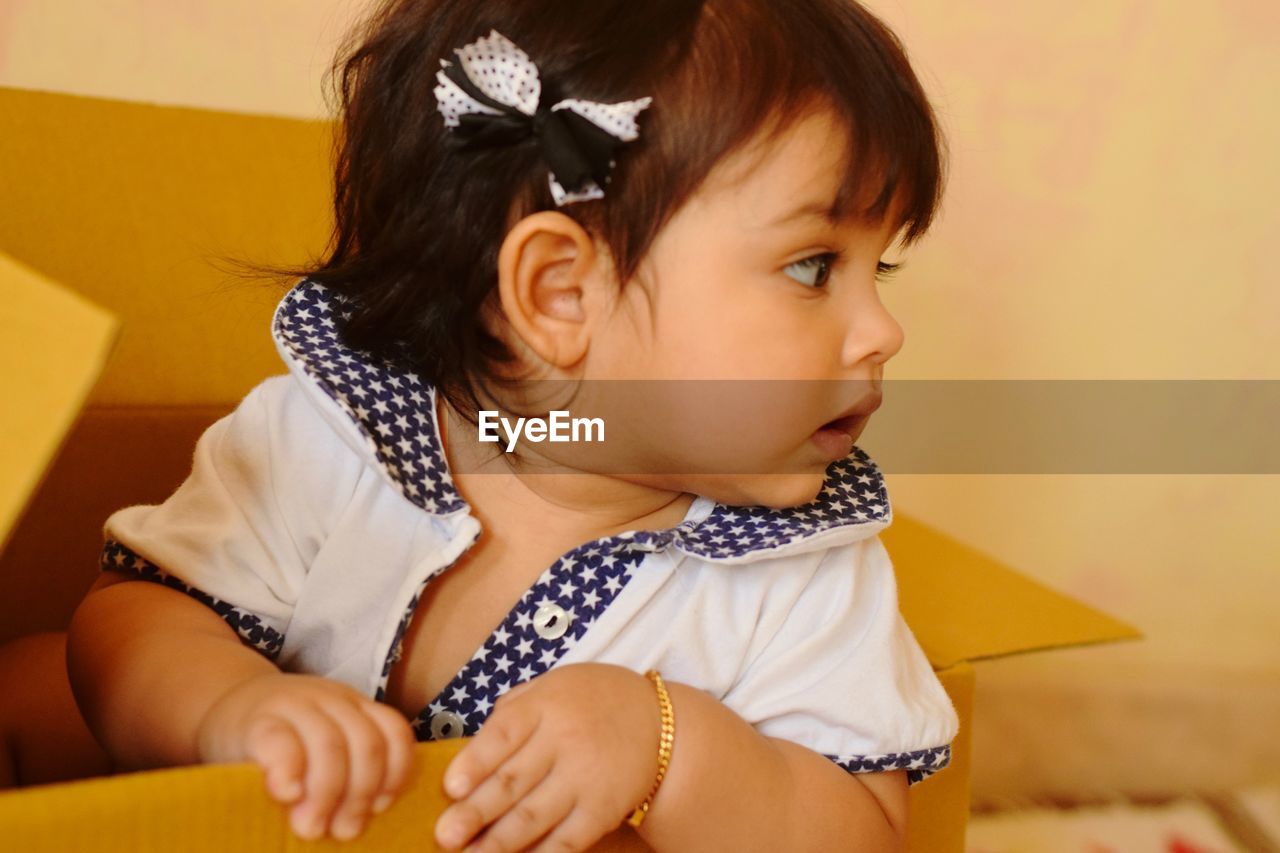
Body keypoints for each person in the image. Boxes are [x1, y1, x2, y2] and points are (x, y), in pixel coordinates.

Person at [65, 1, 959, 850]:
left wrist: (669, 747)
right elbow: (135, 617)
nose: (883, 331)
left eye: (877, 268)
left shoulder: (799, 573)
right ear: (559, 293)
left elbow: (865, 830)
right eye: (813, 267)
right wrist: (233, 708)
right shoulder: (344, 440)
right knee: (36, 689)